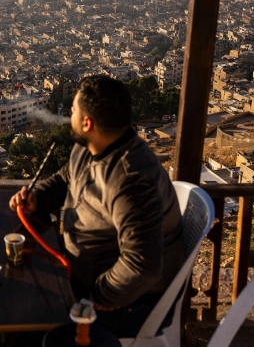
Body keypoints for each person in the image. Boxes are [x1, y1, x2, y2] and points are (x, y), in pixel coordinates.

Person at [10, 75, 184, 338]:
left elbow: (142, 264)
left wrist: (99, 295)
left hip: (127, 303)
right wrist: (38, 199)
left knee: (27, 322)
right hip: (81, 269)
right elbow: (64, 179)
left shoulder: (131, 179)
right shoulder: (91, 147)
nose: (69, 115)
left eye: (72, 111)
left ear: (87, 122)